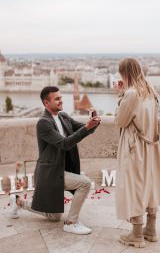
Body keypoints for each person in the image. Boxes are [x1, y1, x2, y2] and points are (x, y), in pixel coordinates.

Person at [9, 86, 101, 235]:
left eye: (61, 98)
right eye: (57, 99)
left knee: (53, 216)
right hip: (50, 173)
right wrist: (86, 128)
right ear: (46, 103)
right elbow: (65, 143)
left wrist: (93, 122)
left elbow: (83, 129)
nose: (60, 101)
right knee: (84, 183)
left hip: (61, 169)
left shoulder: (63, 116)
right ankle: (71, 223)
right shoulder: (44, 123)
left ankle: (19, 202)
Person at [114, 58, 160, 248]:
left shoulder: (131, 93)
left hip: (134, 146)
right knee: (150, 184)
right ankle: (151, 230)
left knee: (134, 186)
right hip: (151, 146)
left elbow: (121, 121)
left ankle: (136, 235)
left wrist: (119, 95)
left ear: (125, 73)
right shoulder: (150, 90)